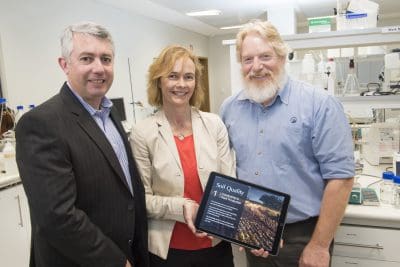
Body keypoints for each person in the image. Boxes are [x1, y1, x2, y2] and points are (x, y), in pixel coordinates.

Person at [220, 20, 355, 267]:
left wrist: (320, 245)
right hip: (254, 230)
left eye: (265, 56)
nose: (256, 67)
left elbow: (341, 178)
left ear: (282, 57)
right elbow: (228, 172)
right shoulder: (230, 109)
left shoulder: (319, 104)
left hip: (303, 237)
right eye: (248, 59)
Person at [15, 22, 149, 267]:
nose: (99, 68)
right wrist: (117, 261)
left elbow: (127, 191)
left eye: (106, 59)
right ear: (64, 64)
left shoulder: (110, 113)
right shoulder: (41, 124)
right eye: (87, 58)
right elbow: (58, 217)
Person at [130, 45, 235, 267]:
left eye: (188, 77)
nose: (181, 84)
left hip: (215, 245)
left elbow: (230, 185)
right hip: (169, 252)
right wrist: (181, 207)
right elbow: (141, 199)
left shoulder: (214, 124)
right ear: (159, 81)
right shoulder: (143, 133)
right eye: (172, 76)